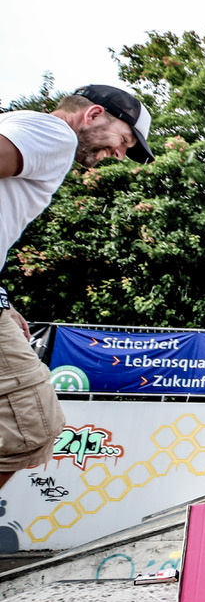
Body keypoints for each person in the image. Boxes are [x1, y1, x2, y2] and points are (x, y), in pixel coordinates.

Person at [0, 85, 154, 492]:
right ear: (94, 115)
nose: (120, 154)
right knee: (32, 429)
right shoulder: (56, 135)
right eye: (123, 140)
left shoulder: (28, 130)